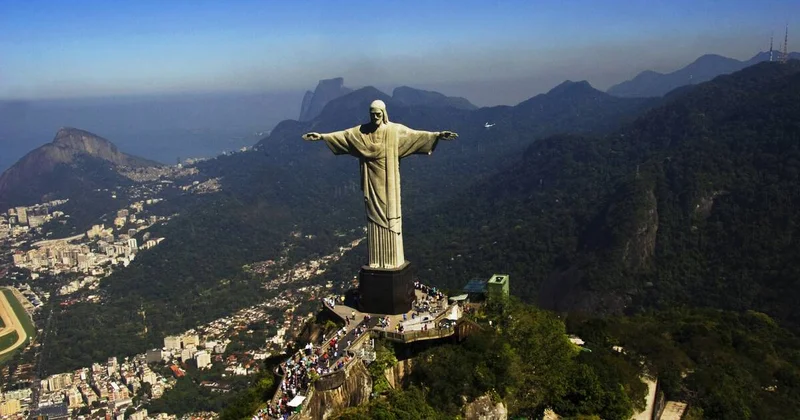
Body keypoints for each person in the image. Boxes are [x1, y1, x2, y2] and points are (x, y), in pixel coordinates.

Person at [303, 100, 457, 269]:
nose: (375, 117)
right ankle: (376, 260)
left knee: (390, 218)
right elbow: (345, 136)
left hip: (389, 182)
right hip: (371, 182)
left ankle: (392, 260)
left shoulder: (394, 131)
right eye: (373, 114)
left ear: (384, 113)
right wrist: (322, 137)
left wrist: (438, 135)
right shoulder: (362, 132)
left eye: (378, 114)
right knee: (374, 219)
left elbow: (416, 135)